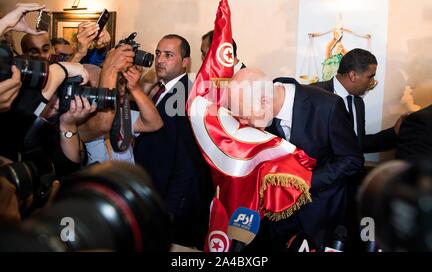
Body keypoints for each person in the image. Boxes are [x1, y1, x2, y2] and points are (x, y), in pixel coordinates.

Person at [228, 68, 364, 250]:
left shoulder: (327, 106)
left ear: (264, 101)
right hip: (278, 218)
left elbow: (352, 159)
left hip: (320, 213)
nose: (243, 122)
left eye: (244, 115)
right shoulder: (262, 112)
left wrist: (305, 183)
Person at [134, 34, 213, 249]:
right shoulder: (161, 89)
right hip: (155, 193)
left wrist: (171, 208)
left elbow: (188, 159)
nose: (160, 60)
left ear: (185, 63)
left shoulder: (186, 95)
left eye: (168, 55)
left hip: (175, 204)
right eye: (158, 53)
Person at [314, 48, 406, 153]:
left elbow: (358, 144)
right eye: (370, 77)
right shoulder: (314, 94)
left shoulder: (358, 102)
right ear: (353, 76)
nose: (372, 82)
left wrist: (394, 132)